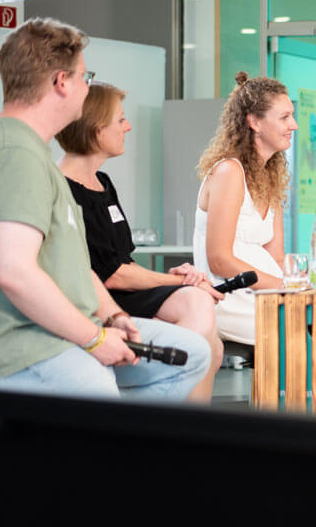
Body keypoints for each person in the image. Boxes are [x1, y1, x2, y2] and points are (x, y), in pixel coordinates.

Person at [0, 17, 210, 399]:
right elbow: (13, 271)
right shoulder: (16, 154)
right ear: (61, 82)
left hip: (72, 329)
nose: (86, 86)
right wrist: (94, 339)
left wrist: (115, 317)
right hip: (31, 347)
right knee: (104, 396)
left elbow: (76, 266)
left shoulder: (33, 153)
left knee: (194, 354)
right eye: (83, 76)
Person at [56, 82, 224, 401]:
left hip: (124, 292)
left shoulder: (103, 182)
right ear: (95, 129)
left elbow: (124, 261)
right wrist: (179, 281)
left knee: (211, 341)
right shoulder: (63, 189)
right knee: (202, 317)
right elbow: (112, 273)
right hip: (97, 300)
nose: (128, 127)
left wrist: (177, 280)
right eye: (120, 120)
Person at [193, 71, 295, 344]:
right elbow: (219, 260)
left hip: (266, 296)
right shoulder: (229, 172)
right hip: (229, 299)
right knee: (312, 331)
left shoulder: (269, 177)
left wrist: (300, 282)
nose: (294, 125)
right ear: (254, 122)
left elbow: (276, 259)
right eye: (284, 117)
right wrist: (283, 286)